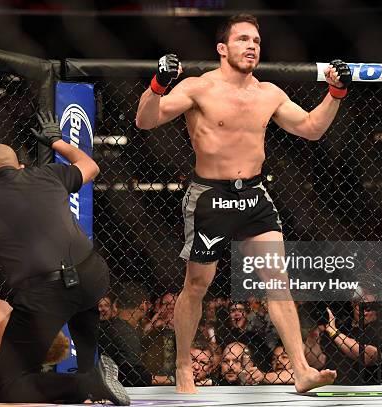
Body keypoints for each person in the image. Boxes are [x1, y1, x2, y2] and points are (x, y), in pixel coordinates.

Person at [135, 13, 349, 393]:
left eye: (257, 41)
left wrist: (335, 94)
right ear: (223, 48)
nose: (252, 46)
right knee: (198, 284)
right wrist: (157, 85)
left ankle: (300, 370)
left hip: (253, 195)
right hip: (209, 196)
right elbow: (145, 121)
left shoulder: (268, 93)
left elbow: (311, 129)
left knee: (277, 281)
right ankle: (184, 366)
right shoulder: (198, 88)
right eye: (243, 40)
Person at [0, 112, 129, 405]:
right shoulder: (46, 174)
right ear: (20, 167)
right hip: (93, 274)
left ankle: (89, 383)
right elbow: (90, 166)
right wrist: (57, 142)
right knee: (80, 295)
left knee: (7, 386)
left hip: (45, 293)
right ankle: (92, 368)